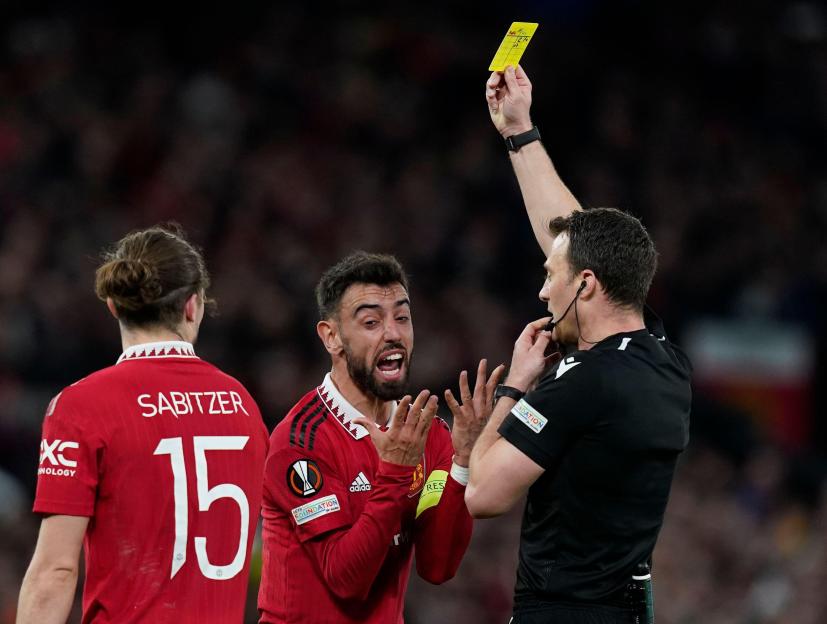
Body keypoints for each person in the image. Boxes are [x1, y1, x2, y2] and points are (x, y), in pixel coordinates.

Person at [457, 65, 692, 624]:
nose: (542, 291)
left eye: (550, 276)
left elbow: (482, 494)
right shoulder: (666, 360)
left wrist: (516, 384)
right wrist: (520, 132)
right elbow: (574, 237)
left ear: (585, 284)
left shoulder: (584, 384)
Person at [17, 225, 269, 624]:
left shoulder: (81, 406)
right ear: (193, 305)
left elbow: (56, 571)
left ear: (114, 306)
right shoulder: (242, 403)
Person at [258, 251, 503, 624]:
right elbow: (346, 580)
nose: (393, 334)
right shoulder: (300, 441)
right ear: (331, 337)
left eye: (402, 318)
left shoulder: (428, 434)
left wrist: (461, 461)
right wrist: (394, 473)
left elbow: (438, 567)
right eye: (371, 322)